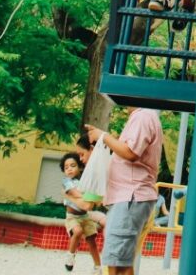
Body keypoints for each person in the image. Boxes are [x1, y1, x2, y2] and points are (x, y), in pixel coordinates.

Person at [86, 108, 163, 275]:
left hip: (130, 196)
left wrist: (103, 136)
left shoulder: (143, 116)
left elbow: (131, 152)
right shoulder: (142, 116)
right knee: (118, 261)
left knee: (118, 263)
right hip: (128, 197)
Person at [59, 152, 104, 273]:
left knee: (92, 242)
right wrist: (86, 197)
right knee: (77, 231)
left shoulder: (84, 181)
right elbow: (74, 193)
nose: (69, 169)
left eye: (73, 166)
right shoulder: (66, 181)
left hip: (85, 216)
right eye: (66, 167)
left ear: (79, 167)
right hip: (72, 217)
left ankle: (98, 267)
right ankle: (70, 256)